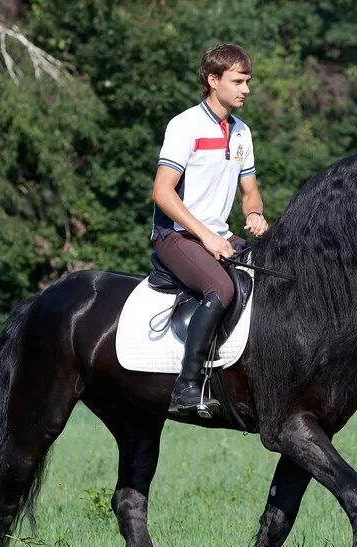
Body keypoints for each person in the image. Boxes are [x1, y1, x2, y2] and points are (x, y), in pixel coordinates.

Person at [151, 43, 269, 418]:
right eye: (238, 81)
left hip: (220, 236)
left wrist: (255, 215)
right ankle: (186, 388)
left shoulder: (242, 133)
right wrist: (206, 237)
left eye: (247, 81)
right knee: (221, 288)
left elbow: (250, 194)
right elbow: (162, 192)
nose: (246, 89)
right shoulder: (184, 125)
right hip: (176, 237)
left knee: (270, 275)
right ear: (212, 80)